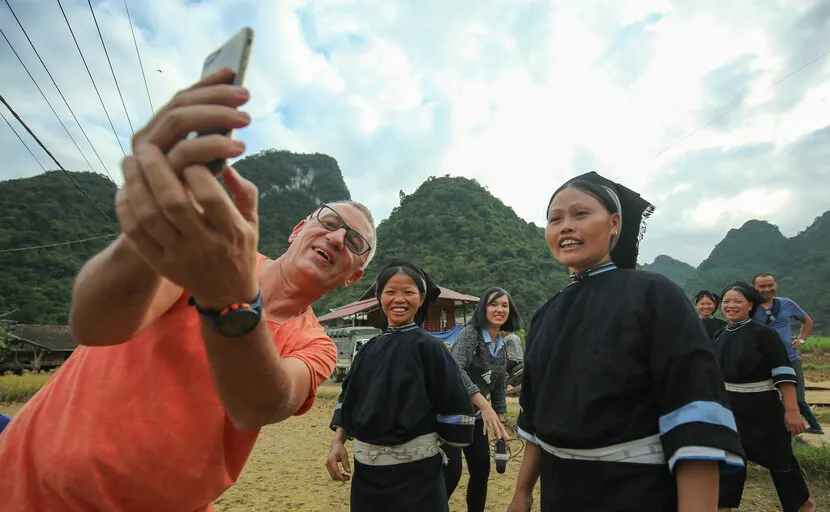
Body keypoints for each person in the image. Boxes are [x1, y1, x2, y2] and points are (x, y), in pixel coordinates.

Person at [0, 68, 376, 512]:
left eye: (355, 243)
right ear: (298, 229)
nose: (336, 238)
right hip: (24, 484)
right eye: (330, 222)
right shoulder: (203, 253)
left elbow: (260, 403)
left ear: (352, 276)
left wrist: (233, 299)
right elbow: (96, 323)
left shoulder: (316, 345)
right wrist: (146, 230)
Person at [508, 171, 745, 512]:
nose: (565, 227)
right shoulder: (546, 314)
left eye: (580, 214)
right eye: (554, 219)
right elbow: (534, 414)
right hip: (559, 489)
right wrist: (523, 492)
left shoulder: (654, 294)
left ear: (615, 222)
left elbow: (694, 415)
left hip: (633, 489)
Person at [326, 259, 475, 512]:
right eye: (391, 292)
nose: (399, 299)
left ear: (421, 297)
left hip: (418, 477)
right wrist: (337, 442)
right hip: (366, 478)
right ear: (379, 296)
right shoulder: (367, 350)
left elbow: (453, 407)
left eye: (408, 292)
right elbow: (349, 398)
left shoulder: (431, 348)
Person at [713, 282, 815, 512]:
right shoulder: (721, 334)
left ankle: (803, 505)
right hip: (730, 410)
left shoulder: (764, 334)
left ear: (750, 304)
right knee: (729, 461)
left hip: (763, 409)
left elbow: (783, 373)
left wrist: (791, 411)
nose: (731, 306)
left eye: (737, 301)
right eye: (727, 301)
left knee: (781, 462)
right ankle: (723, 507)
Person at [443, 287, 519, 512]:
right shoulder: (471, 334)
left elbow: (498, 387)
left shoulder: (501, 345)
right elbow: (455, 368)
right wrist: (484, 405)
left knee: (481, 472)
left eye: (504, 305)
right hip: (452, 414)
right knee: (451, 473)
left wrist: (501, 426)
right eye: (493, 304)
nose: (500, 309)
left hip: (476, 418)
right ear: (483, 308)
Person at [752, 273, 822, 434]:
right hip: (764, 360)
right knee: (770, 398)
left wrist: (801, 340)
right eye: (762, 286)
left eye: (770, 285)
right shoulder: (751, 307)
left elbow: (807, 321)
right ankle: (783, 431)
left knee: (797, 397)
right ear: (754, 288)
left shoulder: (787, 303)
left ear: (775, 285)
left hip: (790, 358)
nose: (767, 289)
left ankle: (809, 429)